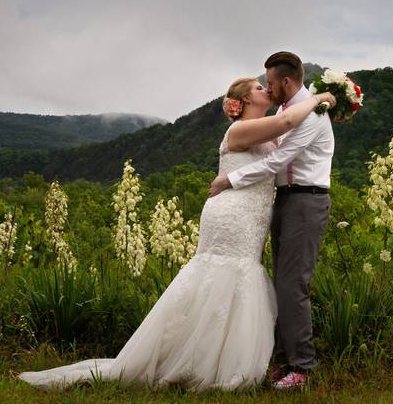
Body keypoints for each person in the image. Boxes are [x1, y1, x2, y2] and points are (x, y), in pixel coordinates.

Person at [18, 77, 335, 391]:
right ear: (245, 101)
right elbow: (289, 119)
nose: (265, 89)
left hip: (254, 218)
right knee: (219, 277)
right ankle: (200, 362)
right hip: (231, 215)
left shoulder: (268, 131)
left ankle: (218, 360)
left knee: (238, 282)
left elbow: (292, 136)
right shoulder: (238, 130)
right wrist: (323, 98)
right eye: (257, 87)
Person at [209, 51, 335, 390]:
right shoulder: (287, 110)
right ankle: (289, 360)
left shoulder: (312, 115)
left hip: (306, 201)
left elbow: (276, 160)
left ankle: (302, 368)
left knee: (292, 285)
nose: (268, 87)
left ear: (286, 82)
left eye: (270, 83)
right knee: (282, 283)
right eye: (261, 84)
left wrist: (229, 180)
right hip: (285, 201)